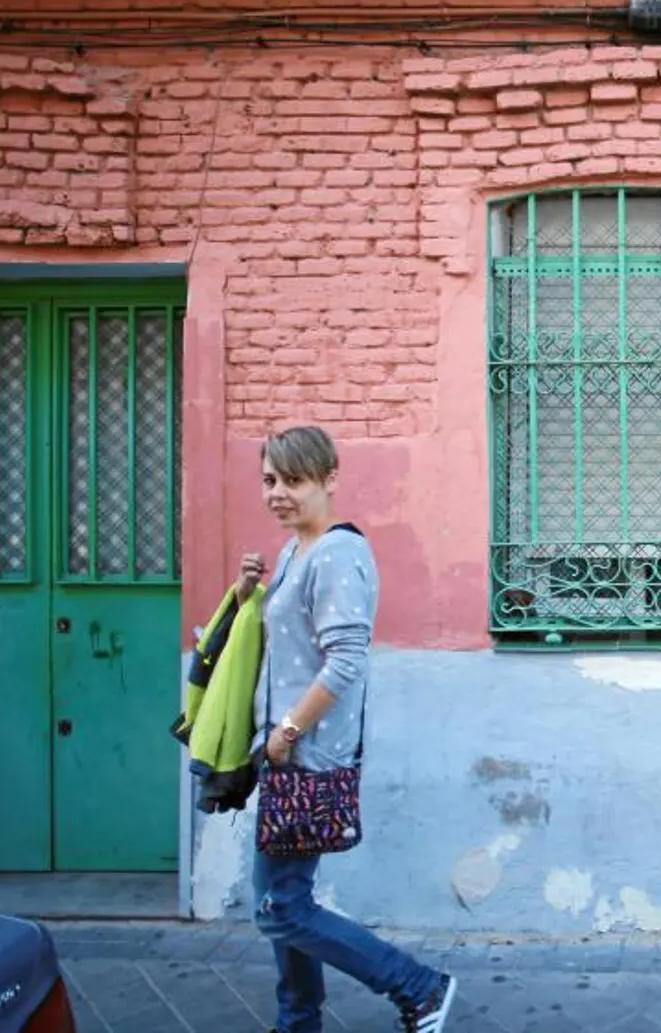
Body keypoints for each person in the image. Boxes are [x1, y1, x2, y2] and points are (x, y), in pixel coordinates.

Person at [238, 425, 457, 1033]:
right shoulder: (293, 551)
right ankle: (299, 1022)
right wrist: (246, 593)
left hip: (306, 753)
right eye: (269, 480)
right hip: (283, 752)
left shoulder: (337, 552)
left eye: (294, 480)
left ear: (330, 478)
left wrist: (286, 731)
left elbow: (346, 660)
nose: (278, 493)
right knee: (283, 904)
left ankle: (420, 987)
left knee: (282, 908)